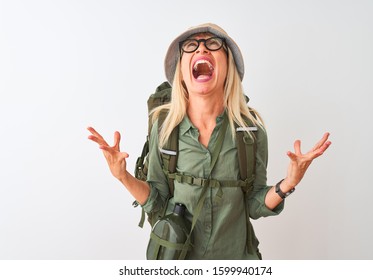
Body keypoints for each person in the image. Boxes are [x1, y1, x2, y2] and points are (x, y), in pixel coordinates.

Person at [87, 23, 331, 259]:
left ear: (227, 66)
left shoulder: (250, 129)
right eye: (191, 46)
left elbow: (255, 204)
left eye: (213, 44)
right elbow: (157, 202)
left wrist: (289, 183)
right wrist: (122, 176)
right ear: (181, 71)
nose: (201, 49)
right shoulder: (164, 127)